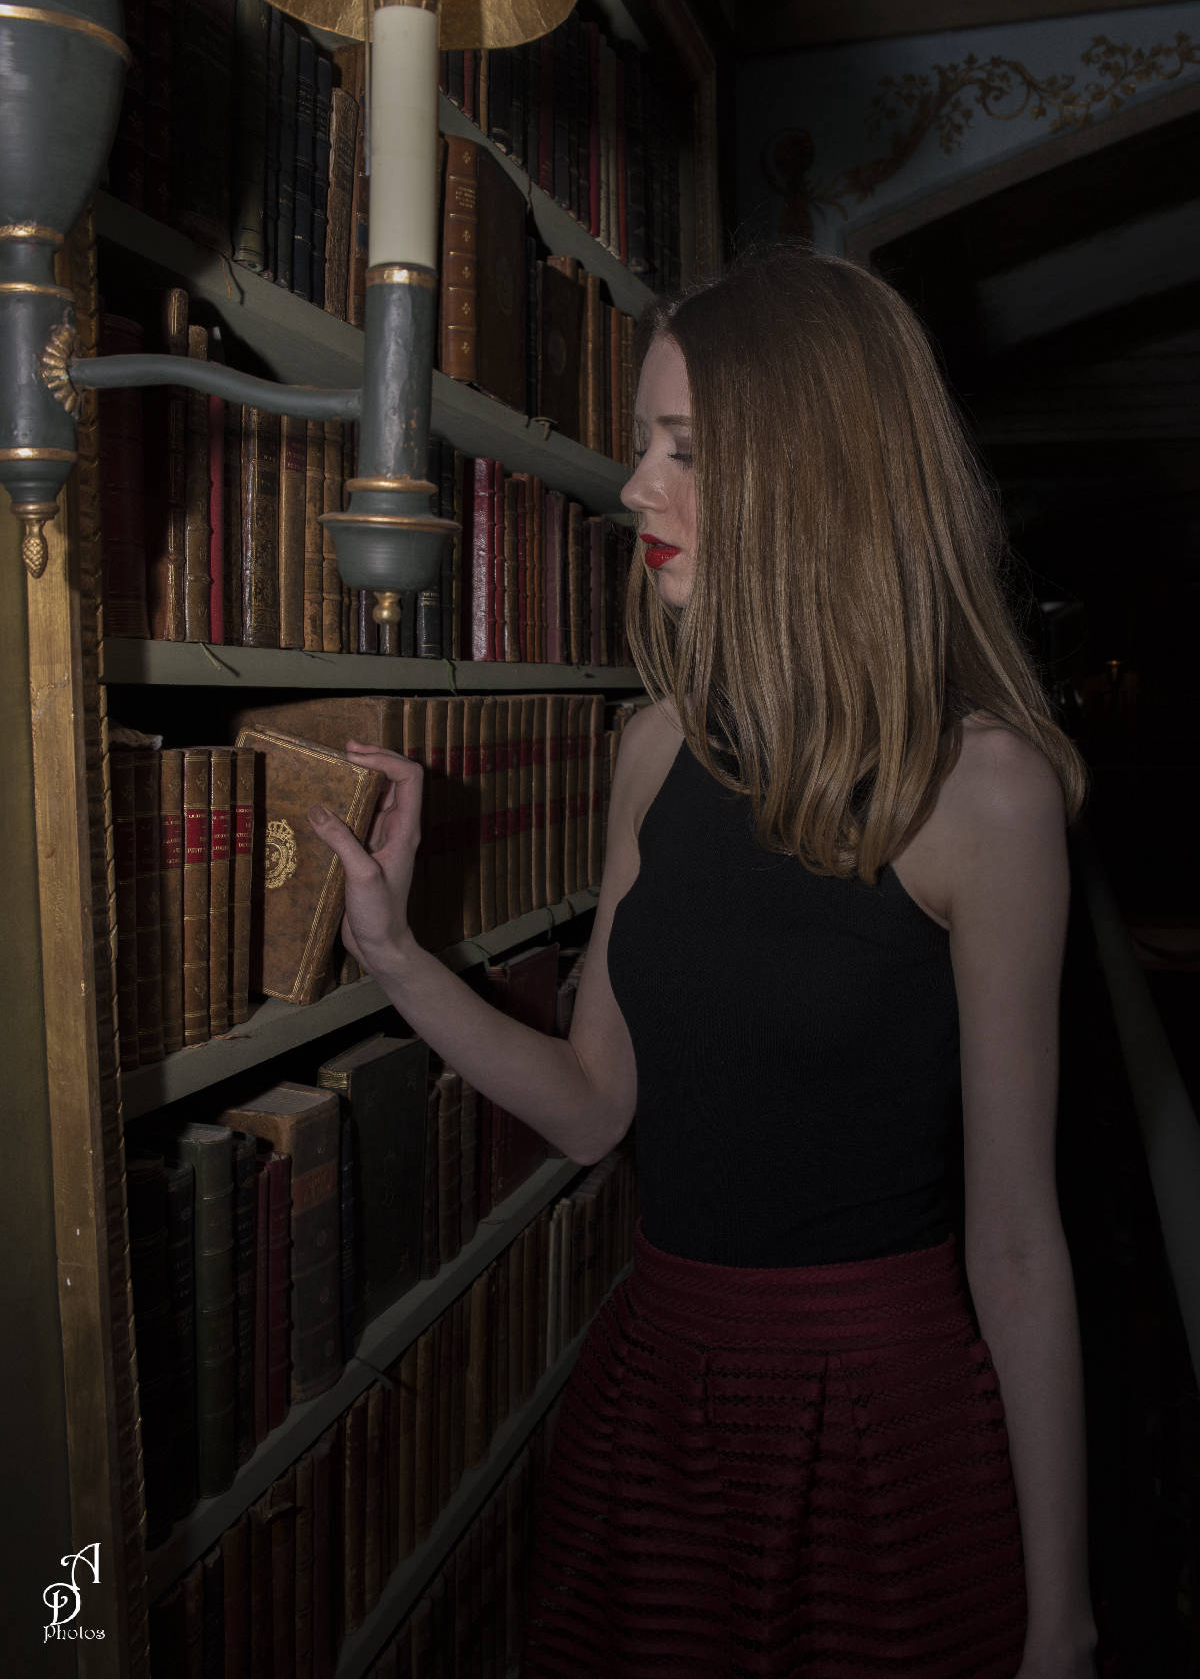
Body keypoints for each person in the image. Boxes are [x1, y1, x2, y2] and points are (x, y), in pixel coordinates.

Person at [309, 245, 1099, 1678]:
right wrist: (396, 954)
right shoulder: (652, 750)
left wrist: (1064, 1621)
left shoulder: (988, 794)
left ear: (816, 474)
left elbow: (1018, 1244)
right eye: (642, 444)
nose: (632, 488)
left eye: (684, 449)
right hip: (662, 1391)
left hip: (877, 1425)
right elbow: (593, 1106)